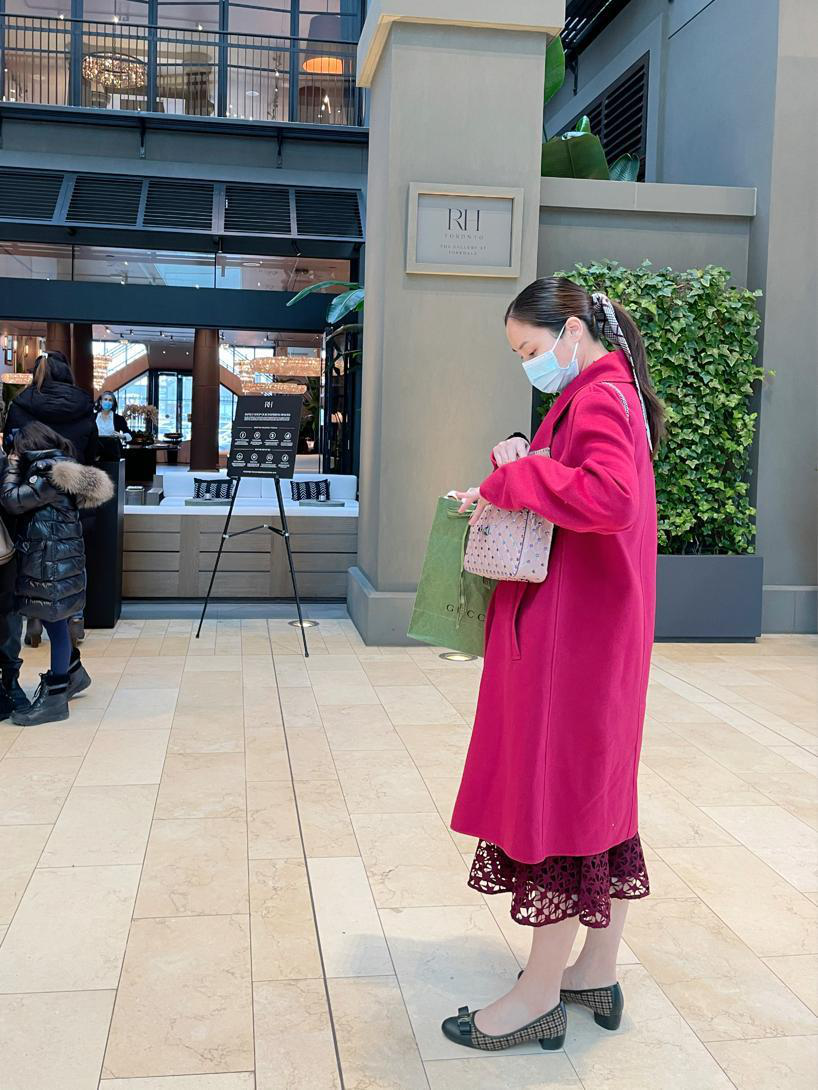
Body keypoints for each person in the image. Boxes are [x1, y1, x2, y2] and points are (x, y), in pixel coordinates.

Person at [443, 277, 664, 1052]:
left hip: (578, 639)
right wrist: (528, 453)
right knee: (593, 793)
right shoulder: (611, 390)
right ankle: (593, 966)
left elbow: (609, 498)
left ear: (573, 331)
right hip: (597, 632)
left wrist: (515, 476)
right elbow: (593, 487)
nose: (528, 366)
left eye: (531, 351)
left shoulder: (601, 394)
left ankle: (538, 992)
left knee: (560, 798)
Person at [0, 422, 113, 726]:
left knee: (55, 622)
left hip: (50, 560)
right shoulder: (60, 465)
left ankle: (56, 697)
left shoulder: (47, 473)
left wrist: (11, 465)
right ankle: (73, 674)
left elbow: (11, 500)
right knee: (56, 621)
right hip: (58, 558)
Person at [5, 351, 99, 648]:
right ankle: (75, 619)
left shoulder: (22, 404)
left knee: (30, 557)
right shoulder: (83, 405)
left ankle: (34, 619)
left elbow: (11, 447)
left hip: (28, 497)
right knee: (71, 558)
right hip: (71, 493)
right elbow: (92, 450)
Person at [94, 391, 132, 457]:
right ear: (100, 402)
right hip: (95, 453)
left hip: (113, 453)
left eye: (110, 400)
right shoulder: (93, 417)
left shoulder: (119, 418)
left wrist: (122, 436)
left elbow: (129, 434)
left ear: (113, 403)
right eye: (105, 399)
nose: (107, 402)